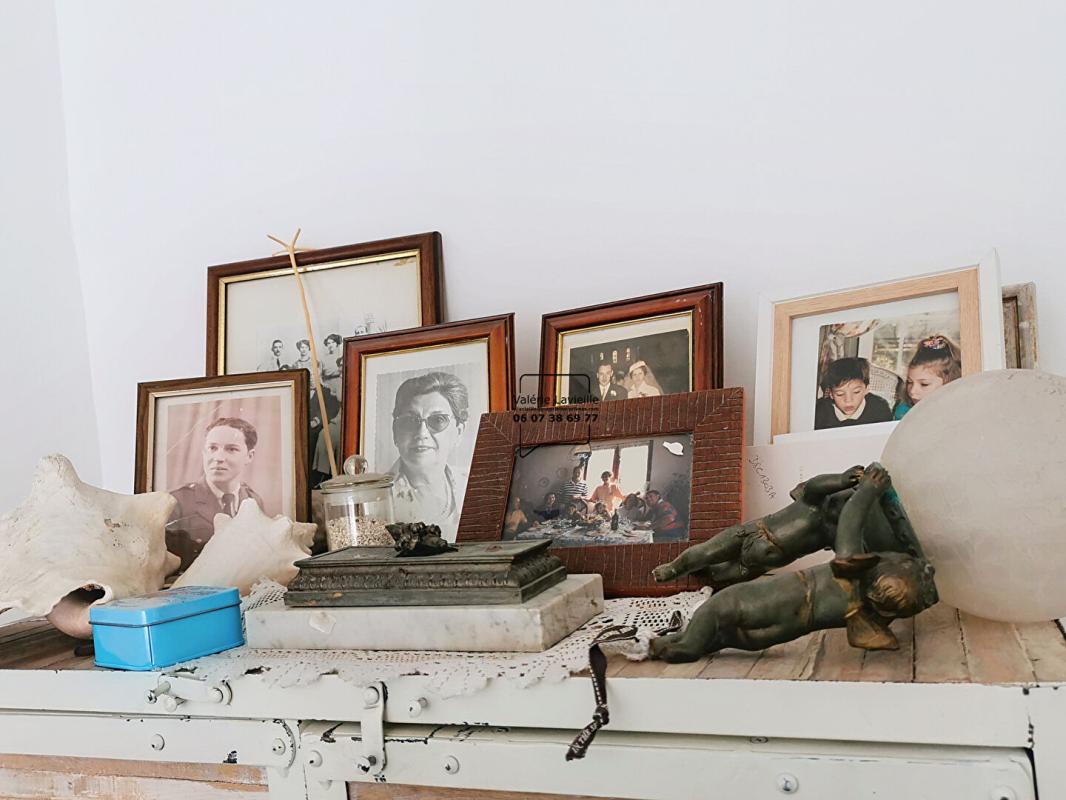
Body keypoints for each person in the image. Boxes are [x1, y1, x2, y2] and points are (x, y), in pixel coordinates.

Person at [168, 417, 265, 571]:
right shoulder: (176, 502)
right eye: (212, 448)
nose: (218, 458)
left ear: (250, 456)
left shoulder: (254, 501)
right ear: (203, 452)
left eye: (231, 449)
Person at [389, 371, 470, 542]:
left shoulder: (474, 485)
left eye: (438, 420)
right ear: (395, 432)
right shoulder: (375, 500)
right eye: (410, 421)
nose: (421, 433)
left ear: (459, 432)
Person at [893, 335, 963, 420]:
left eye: (924, 384)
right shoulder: (904, 413)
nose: (912, 391)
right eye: (909, 382)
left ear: (950, 384)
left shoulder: (961, 413)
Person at [814, 357, 893, 430]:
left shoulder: (880, 409)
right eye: (840, 394)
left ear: (866, 389)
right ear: (831, 394)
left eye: (856, 392)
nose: (848, 400)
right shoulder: (819, 413)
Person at [320, 334, 343, 398]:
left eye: (333, 342)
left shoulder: (342, 356)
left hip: (340, 383)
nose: (330, 345)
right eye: (328, 343)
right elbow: (319, 375)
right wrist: (324, 384)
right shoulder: (323, 359)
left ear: (337, 343)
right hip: (327, 384)